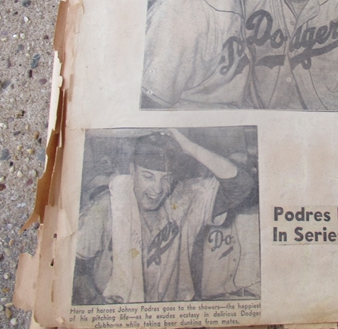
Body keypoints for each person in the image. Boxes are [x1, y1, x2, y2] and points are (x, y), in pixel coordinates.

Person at [74, 130, 254, 304]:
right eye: (148, 177)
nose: (157, 189)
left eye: (165, 178)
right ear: (132, 171)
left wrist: (189, 147)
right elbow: (74, 263)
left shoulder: (185, 196)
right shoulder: (108, 205)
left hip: (172, 312)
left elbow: (241, 185)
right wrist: (93, 298)